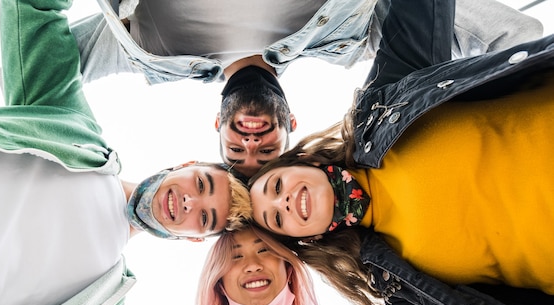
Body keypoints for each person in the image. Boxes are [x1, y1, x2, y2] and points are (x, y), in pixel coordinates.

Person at [245, 0, 554, 305]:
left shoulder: (381, 107)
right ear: (307, 238)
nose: (285, 200)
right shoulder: (400, 285)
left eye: (276, 185)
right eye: (277, 217)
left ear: (301, 163)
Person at [0, 0, 250, 305]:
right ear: (183, 165)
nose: (190, 201)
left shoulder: (102, 300)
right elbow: (33, 12)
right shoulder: (72, 128)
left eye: (206, 218)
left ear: (193, 238)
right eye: (200, 183)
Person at [71, 0, 543, 178]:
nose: (252, 143)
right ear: (291, 124)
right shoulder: (348, 41)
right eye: (268, 150)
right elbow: (511, 36)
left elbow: (33, 66)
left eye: (236, 150)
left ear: (218, 124)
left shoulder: (155, 52)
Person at [194, 224, 320, 305]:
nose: (253, 265)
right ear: (220, 286)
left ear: (288, 270)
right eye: (236, 256)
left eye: (263, 250)